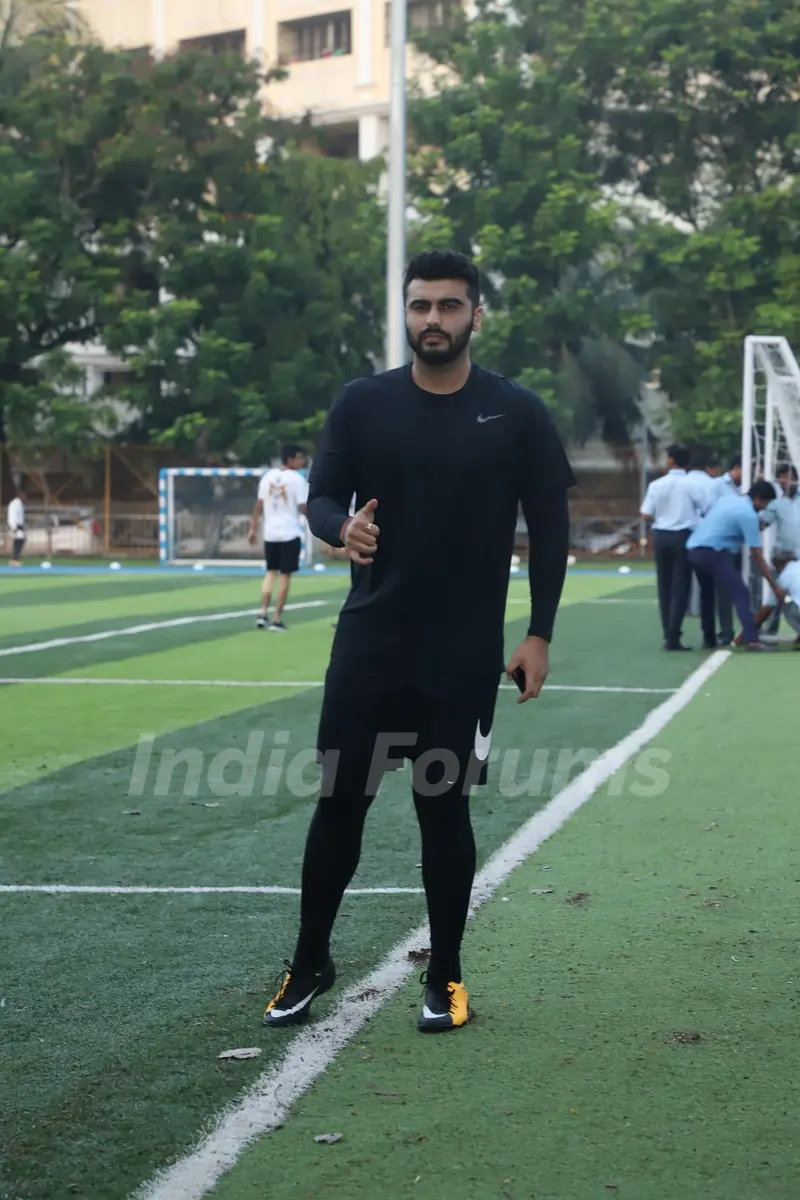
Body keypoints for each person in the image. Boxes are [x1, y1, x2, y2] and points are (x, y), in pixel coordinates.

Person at [263, 250, 575, 1033]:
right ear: (405, 313)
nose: (432, 319)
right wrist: (341, 529)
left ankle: (446, 976)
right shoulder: (363, 403)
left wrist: (539, 632)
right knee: (339, 806)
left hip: (461, 654)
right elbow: (322, 496)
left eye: (447, 305)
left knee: (444, 810)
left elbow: (551, 526)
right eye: (419, 306)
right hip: (370, 643)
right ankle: (309, 960)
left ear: (476, 315)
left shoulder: (517, 412)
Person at [686, 482, 787, 649]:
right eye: (765, 504)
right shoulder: (748, 515)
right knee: (740, 591)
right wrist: (774, 585)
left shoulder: (728, 499)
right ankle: (752, 640)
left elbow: (723, 522)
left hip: (693, 549)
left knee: (707, 595)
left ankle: (709, 638)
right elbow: (757, 556)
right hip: (712, 552)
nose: (763, 509)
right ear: (758, 499)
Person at [640, 443, 700, 650]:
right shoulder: (692, 485)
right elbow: (704, 507)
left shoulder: (657, 485)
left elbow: (646, 513)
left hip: (662, 535)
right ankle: (674, 634)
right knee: (681, 587)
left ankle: (667, 632)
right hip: (684, 535)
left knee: (664, 586)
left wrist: (662, 515)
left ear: (672, 460)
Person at [248, 445, 308, 631]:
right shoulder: (297, 480)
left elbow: (258, 504)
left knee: (271, 572)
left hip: (270, 533)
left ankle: (262, 613)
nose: (302, 461)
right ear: (289, 459)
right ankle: (276, 619)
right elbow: (303, 507)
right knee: (285, 576)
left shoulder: (268, 477)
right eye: (299, 458)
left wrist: (252, 528)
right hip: (289, 533)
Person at [708, 455, 743, 645]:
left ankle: (751, 626)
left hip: (744, 545)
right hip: (723, 545)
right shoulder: (718, 486)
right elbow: (710, 513)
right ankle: (726, 631)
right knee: (724, 591)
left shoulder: (749, 486)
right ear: (737, 468)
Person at [7, 488, 25, 567]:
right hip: (16, 525)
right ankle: (14, 559)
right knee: (18, 541)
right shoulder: (15, 504)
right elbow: (12, 516)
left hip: (19, 525)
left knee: (20, 541)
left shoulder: (20, 504)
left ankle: (15, 558)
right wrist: (14, 527)